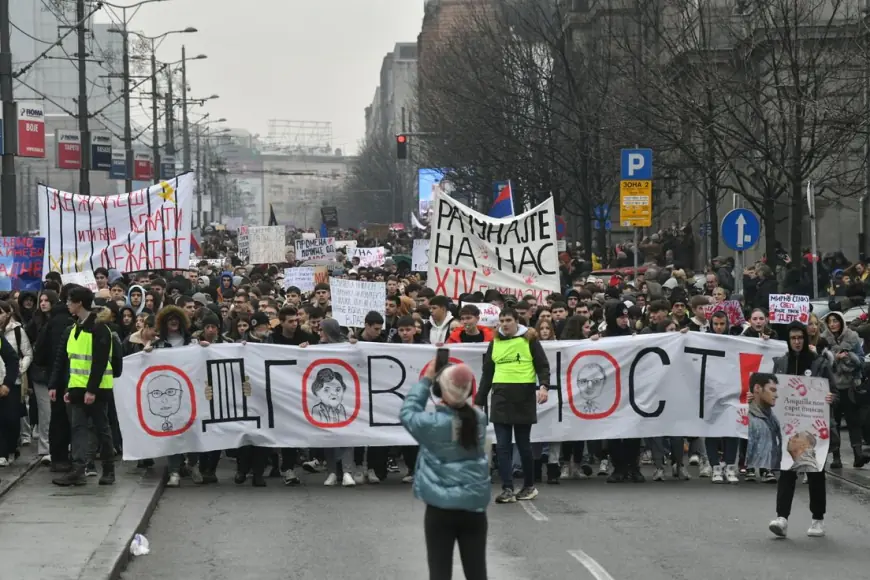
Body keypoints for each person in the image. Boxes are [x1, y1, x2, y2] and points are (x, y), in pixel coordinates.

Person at [400, 361, 489, 580]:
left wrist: (426, 379)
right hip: (474, 509)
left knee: (439, 571)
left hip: (440, 508)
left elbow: (408, 412)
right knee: (477, 572)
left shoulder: (432, 424)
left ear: (441, 391)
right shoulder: (479, 419)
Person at [768, 322, 837, 538]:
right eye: (793, 338)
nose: (797, 342)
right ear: (788, 341)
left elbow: (835, 391)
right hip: (790, 427)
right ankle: (782, 518)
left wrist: (831, 397)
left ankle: (818, 519)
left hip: (814, 427)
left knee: (815, 473)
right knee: (787, 471)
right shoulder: (780, 363)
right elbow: (773, 390)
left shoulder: (819, 363)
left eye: (800, 338)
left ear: (806, 339)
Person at [475, 307, 549, 504]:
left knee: (524, 445)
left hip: (523, 395)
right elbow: (487, 373)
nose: (505, 324)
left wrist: (543, 386)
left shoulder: (529, 339)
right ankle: (507, 488)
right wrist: (479, 401)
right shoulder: (495, 342)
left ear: (517, 321)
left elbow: (542, 365)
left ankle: (529, 486)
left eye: (508, 320)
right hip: (500, 396)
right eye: (502, 320)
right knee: (503, 445)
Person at [50, 286, 116, 487]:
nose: (68, 304)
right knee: (78, 428)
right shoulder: (75, 328)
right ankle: (78, 469)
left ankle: (109, 469)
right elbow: (73, 363)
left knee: (101, 428)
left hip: (96, 390)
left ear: (79, 303)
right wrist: (69, 389)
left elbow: (99, 362)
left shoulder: (99, 328)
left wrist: (91, 390)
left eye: (70, 301)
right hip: (78, 389)